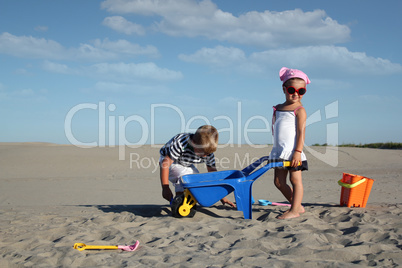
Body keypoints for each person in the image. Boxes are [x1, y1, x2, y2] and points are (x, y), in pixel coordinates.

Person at [159, 125, 235, 208]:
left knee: (196, 180)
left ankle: (187, 203)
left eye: (208, 154)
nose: (206, 156)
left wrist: (221, 197)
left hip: (185, 163)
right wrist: (165, 188)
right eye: (203, 153)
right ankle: (180, 204)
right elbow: (165, 164)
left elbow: (213, 175)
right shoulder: (181, 142)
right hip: (168, 161)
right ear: (194, 144)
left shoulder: (207, 153)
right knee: (183, 178)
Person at [269, 67, 310, 219]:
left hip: (293, 151)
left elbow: (301, 133)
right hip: (280, 151)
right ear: (284, 89)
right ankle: (297, 205)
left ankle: (294, 211)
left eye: (301, 91)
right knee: (279, 182)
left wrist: (297, 152)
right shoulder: (279, 108)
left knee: (295, 180)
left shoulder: (299, 110)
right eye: (292, 90)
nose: (296, 94)